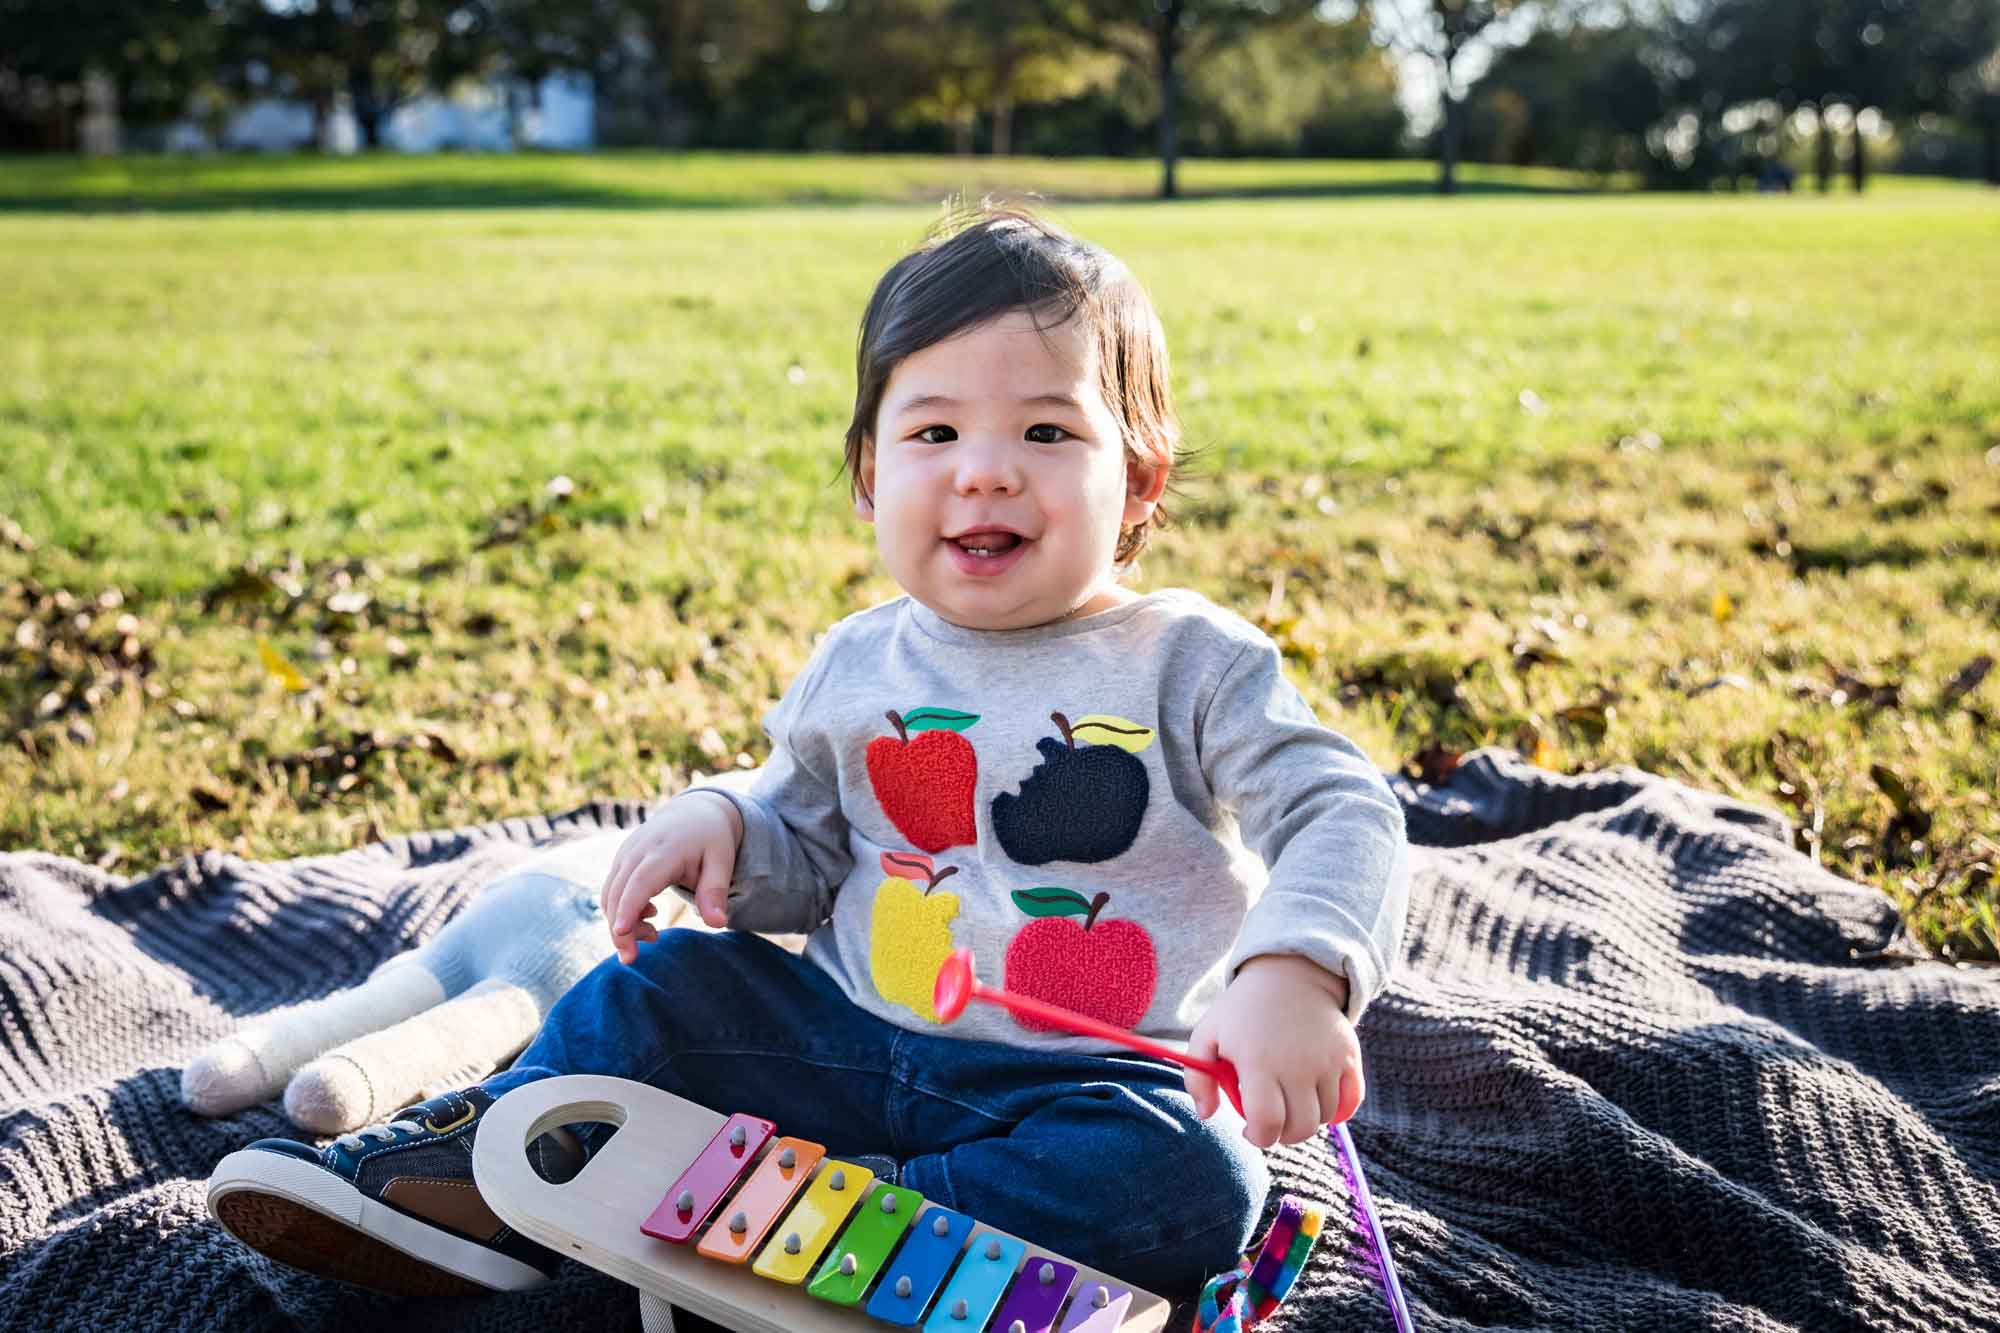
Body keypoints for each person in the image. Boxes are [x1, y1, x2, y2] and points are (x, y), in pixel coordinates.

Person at [206, 205, 1410, 1304]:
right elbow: (800, 856)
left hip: (1079, 1088)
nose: (982, 467)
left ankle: (840, 1225)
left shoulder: (1190, 661)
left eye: (1045, 430)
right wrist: (727, 827)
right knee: (658, 989)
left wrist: (1293, 974)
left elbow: (1340, 809)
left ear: (1137, 482)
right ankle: (477, 1169)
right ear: (870, 474)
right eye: (933, 429)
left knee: (1196, 1181)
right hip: (841, 1037)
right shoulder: (859, 661)